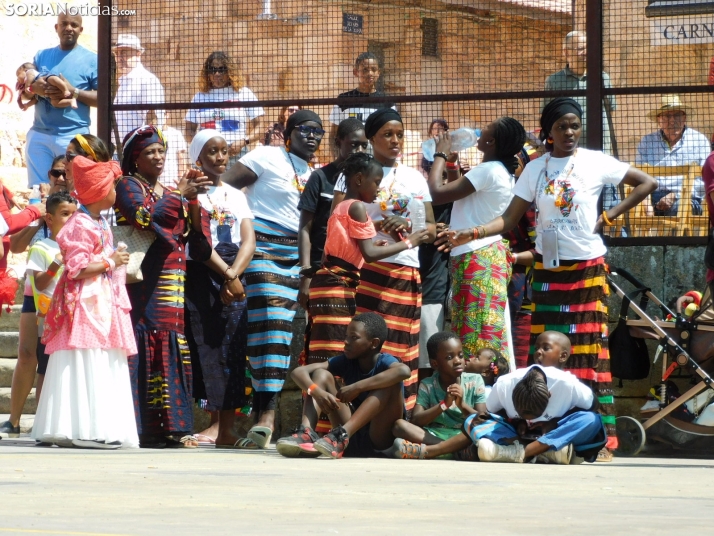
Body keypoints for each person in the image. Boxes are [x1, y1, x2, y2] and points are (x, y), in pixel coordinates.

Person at [438, 97, 658, 460]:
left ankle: (601, 439)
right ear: (548, 132)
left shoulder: (593, 161)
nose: (569, 132)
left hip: (587, 269)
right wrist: (473, 233)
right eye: (561, 127)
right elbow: (509, 220)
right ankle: (545, 432)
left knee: (588, 352)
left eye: (574, 125)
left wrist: (611, 215)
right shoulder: (534, 169)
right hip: (547, 270)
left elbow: (645, 182)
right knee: (543, 356)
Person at [221, 110, 324, 448]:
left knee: (278, 330)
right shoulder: (266, 155)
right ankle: (264, 414)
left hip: (295, 254)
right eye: (306, 130)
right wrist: (241, 223)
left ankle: (265, 414)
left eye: (318, 132)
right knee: (269, 313)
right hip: (261, 243)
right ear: (289, 132)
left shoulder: (316, 175)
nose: (312, 137)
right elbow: (226, 185)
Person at [333, 108, 436, 415]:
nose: (395, 141)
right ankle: (355, 414)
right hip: (365, 270)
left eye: (400, 134)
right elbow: (338, 218)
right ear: (371, 138)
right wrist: (376, 227)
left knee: (400, 344)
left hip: (404, 267)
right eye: (387, 135)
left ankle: (397, 416)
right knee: (362, 343)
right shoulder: (355, 171)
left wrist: (409, 228)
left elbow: (429, 227)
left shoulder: (415, 177)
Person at [114, 125, 212, 449]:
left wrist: (194, 202)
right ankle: (144, 428)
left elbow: (194, 240)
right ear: (135, 159)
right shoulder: (128, 185)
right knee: (147, 344)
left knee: (172, 348)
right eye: (149, 153)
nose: (157, 157)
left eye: (160, 151)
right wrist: (179, 196)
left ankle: (173, 426)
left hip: (173, 281)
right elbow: (142, 218)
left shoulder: (171, 189)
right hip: (145, 283)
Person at [32, 156, 137, 449]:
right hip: (83, 305)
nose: (116, 192)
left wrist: (111, 262)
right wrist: (110, 261)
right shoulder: (82, 224)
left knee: (96, 356)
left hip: (99, 300)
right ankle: (80, 426)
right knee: (83, 355)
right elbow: (76, 268)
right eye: (113, 186)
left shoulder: (98, 221)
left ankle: (91, 424)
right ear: (101, 191)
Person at [304, 152, 429, 365]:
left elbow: (347, 245)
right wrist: (410, 241)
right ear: (359, 180)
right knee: (334, 352)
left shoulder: (343, 206)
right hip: (337, 286)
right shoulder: (357, 207)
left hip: (328, 282)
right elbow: (370, 255)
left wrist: (376, 240)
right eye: (376, 182)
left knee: (322, 348)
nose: (379, 188)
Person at [427, 117, 527, 371]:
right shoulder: (500, 171)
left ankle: (484, 392)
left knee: (478, 331)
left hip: (477, 258)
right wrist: (451, 163)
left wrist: (439, 153)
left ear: (490, 142)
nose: (478, 134)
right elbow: (460, 193)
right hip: (483, 256)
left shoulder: (489, 170)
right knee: (480, 327)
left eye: (484, 132)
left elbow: (436, 194)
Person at [184, 130, 256, 448]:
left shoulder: (236, 195)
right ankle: (211, 426)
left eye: (224, 151)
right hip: (203, 273)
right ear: (198, 157)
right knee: (208, 349)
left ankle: (227, 428)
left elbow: (248, 239)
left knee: (233, 351)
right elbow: (198, 242)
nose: (220, 157)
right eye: (212, 152)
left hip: (234, 274)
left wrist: (234, 276)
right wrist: (229, 275)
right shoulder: (192, 195)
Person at [277, 312, 409, 459]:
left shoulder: (384, 361)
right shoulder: (347, 361)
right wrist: (316, 392)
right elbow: (298, 372)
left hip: (379, 439)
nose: (346, 341)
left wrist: (357, 387)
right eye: (346, 336)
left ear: (374, 343)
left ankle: (341, 435)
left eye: (354, 338)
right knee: (321, 374)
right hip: (352, 440)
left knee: (390, 381)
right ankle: (306, 433)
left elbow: (404, 371)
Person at [0, 158, 63, 437]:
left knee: (49, 359)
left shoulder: (81, 206)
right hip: (34, 292)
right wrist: (39, 217)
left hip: (64, 291)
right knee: (27, 354)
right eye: (55, 172)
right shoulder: (39, 204)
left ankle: (43, 421)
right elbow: (14, 245)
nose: (60, 177)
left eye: (65, 172)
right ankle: (13, 420)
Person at [297, 118, 368, 310]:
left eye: (364, 145)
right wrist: (305, 275)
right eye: (353, 145)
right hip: (323, 271)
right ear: (338, 143)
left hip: (359, 273)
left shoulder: (369, 181)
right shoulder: (320, 177)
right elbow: (305, 228)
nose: (359, 151)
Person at [467, 366, 605, 464]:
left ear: (549, 395)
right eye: (523, 413)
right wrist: (516, 421)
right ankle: (546, 452)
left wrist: (555, 422)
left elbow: (593, 405)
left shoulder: (566, 384)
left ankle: (520, 453)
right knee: (472, 420)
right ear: (512, 394)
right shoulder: (505, 384)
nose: (531, 420)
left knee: (591, 420)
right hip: (518, 435)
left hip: (557, 431)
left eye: (536, 414)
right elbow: (491, 411)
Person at [543, 31, 618, 209]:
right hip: (569, 159)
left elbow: (610, 110)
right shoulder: (554, 81)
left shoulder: (602, 77)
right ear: (566, 52)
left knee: (605, 209)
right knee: (571, 207)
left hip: (600, 155)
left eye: (587, 48)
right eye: (580, 48)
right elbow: (547, 117)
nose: (585, 52)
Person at [24, 13, 98, 188]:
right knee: (39, 191)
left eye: (74, 24)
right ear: (56, 27)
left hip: (72, 137)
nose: (68, 28)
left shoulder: (93, 60)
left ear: (81, 30)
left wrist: (74, 92)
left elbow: (103, 99)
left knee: (75, 190)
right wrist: (36, 89)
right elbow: (26, 91)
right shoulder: (41, 55)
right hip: (39, 135)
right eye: (64, 24)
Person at [389, 331, 487, 460]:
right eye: (449, 357)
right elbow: (416, 420)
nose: (458, 361)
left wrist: (461, 405)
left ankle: (432, 451)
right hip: (434, 435)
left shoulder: (475, 381)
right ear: (435, 364)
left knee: (481, 433)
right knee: (399, 426)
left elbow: (483, 421)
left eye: (461, 355)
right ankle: (450, 451)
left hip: (464, 436)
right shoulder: (428, 384)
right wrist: (443, 405)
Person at [25, 191, 77, 407]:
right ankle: (42, 420)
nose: (71, 220)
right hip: (48, 321)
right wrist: (57, 262)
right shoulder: (41, 248)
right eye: (65, 214)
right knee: (46, 370)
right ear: (49, 218)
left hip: (73, 318)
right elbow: (39, 284)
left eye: (75, 215)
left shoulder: (78, 247)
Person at [185, 51, 264, 165]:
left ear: (230, 72)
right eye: (212, 70)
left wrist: (244, 141)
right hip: (207, 156)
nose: (217, 74)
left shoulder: (243, 93)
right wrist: (201, 145)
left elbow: (261, 126)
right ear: (207, 73)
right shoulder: (199, 97)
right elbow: (189, 130)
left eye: (221, 69)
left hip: (235, 154)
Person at [636, 94, 710, 217]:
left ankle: (675, 237)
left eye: (677, 115)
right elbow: (638, 176)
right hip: (652, 197)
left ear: (684, 117)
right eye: (667, 116)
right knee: (623, 209)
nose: (672, 121)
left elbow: (704, 181)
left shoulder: (699, 141)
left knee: (676, 209)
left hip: (687, 199)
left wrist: (676, 195)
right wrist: (646, 202)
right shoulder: (647, 142)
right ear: (659, 120)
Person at [328, 52, 395, 157]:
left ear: (378, 72)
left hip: (378, 161)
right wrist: (337, 161)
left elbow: (393, 135)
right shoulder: (344, 100)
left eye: (373, 69)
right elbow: (333, 135)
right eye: (365, 70)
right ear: (356, 72)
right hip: (350, 160)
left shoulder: (387, 102)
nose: (370, 73)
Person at [112, 34, 166, 142]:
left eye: (124, 53)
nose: (119, 58)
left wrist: (144, 147)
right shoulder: (123, 82)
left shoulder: (147, 80)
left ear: (138, 54)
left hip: (138, 149)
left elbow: (153, 119)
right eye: (117, 53)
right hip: (120, 150)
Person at [157, 111, 189, 188]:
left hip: (172, 181)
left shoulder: (176, 133)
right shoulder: (151, 133)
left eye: (162, 114)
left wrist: (181, 178)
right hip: (156, 181)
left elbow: (181, 158)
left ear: (167, 115)